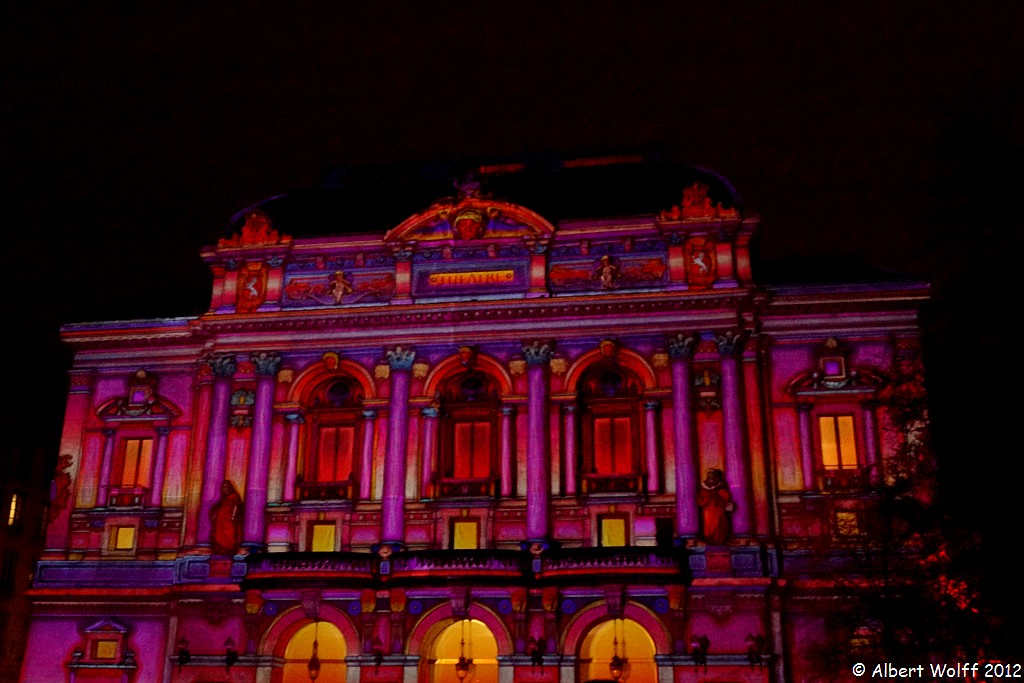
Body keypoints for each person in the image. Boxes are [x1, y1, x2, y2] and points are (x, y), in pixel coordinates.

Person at [696, 468, 734, 545]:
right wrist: (707, 499)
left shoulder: (721, 485)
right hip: (708, 511)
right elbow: (700, 500)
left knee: (720, 524)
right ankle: (710, 541)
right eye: (709, 474)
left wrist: (719, 496)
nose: (711, 476)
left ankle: (720, 540)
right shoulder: (704, 487)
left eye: (712, 474)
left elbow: (726, 498)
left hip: (718, 509)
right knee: (709, 526)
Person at [210, 480, 243, 555]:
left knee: (229, 534)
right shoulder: (223, 498)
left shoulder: (234, 496)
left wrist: (233, 516)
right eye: (223, 487)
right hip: (221, 521)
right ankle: (221, 549)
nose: (224, 489)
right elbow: (219, 507)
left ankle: (228, 549)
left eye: (226, 487)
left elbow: (236, 506)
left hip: (229, 521)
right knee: (219, 535)